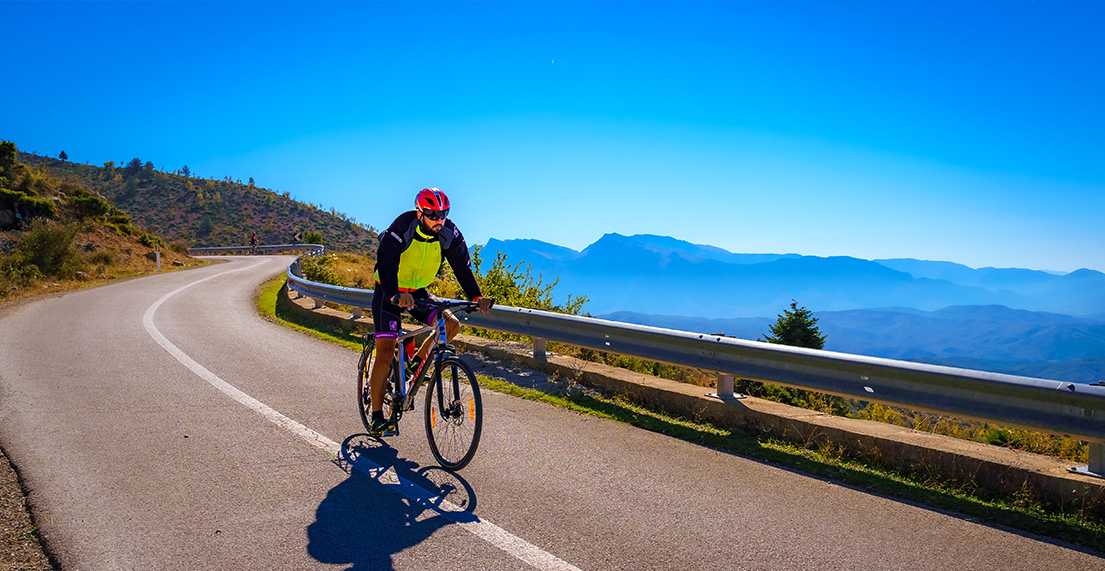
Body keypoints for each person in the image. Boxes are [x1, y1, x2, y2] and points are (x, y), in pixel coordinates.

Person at [367, 187, 492, 436]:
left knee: (451, 324)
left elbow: (462, 267)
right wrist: (393, 293)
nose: (439, 220)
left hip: (418, 291)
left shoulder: (448, 233)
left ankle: (414, 364)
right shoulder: (403, 226)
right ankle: (378, 416)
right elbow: (386, 260)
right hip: (388, 291)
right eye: (433, 215)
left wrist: (476, 296)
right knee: (385, 353)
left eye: (443, 214)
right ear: (420, 212)